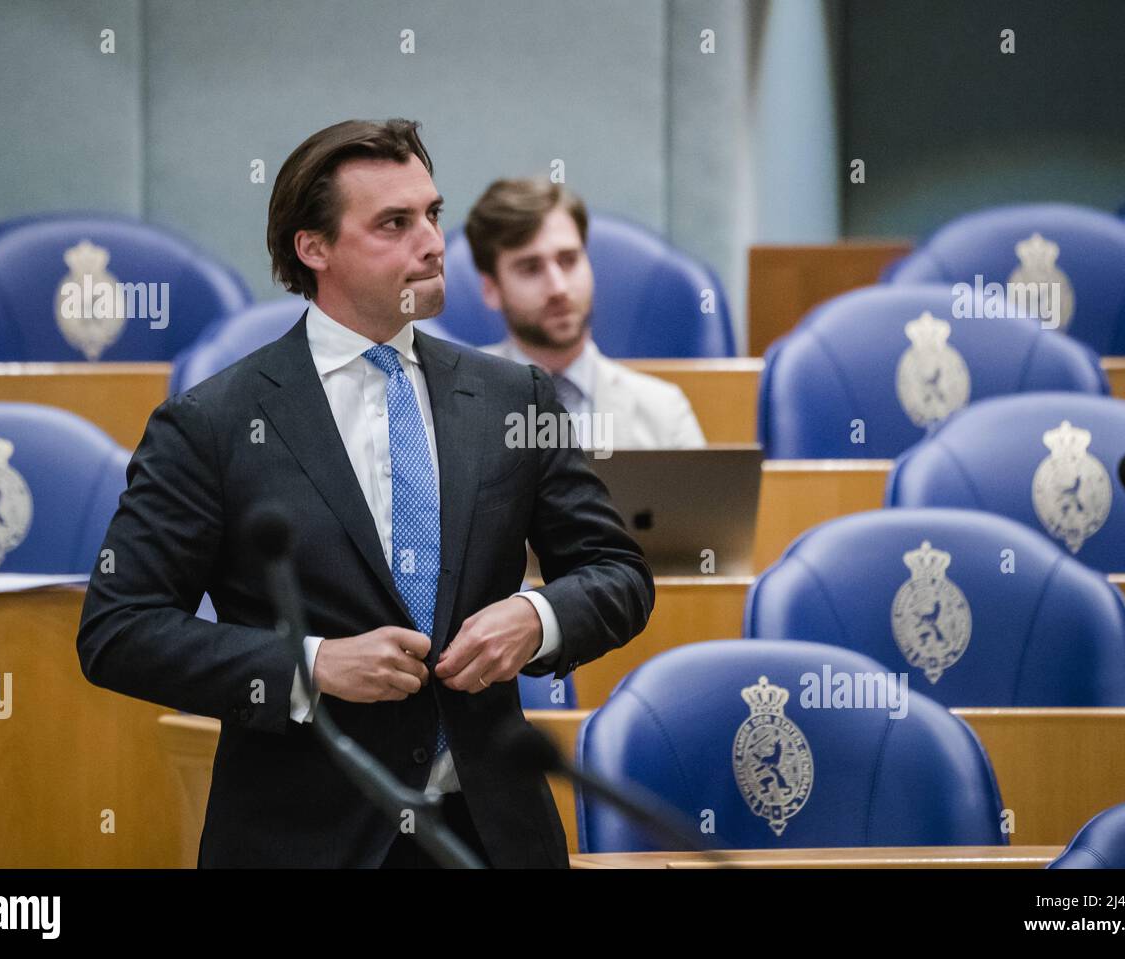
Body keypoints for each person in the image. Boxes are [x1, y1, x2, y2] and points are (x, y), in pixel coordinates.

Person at [76, 119, 654, 868]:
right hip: (303, 838)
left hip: (493, 835)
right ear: (313, 248)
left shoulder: (515, 397)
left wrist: (535, 617)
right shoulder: (214, 422)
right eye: (395, 223)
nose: (434, 243)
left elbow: (618, 572)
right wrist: (311, 665)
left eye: (433, 215)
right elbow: (118, 629)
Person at [466, 176, 707, 450]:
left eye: (568, 260)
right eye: (530, 268)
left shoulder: (664, 414)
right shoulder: (454, 405)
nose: (558, 287)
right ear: (491, 289)